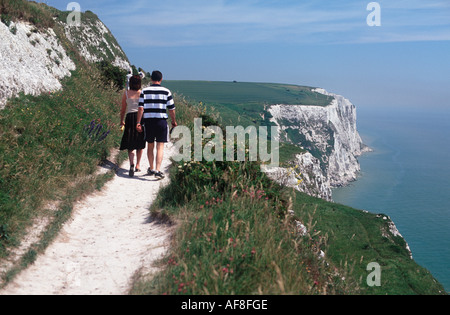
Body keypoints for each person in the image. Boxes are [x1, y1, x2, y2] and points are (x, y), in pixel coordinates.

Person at [136, 71, 177, 179]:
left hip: (148, 121)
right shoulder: (166, 91)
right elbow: (171, 109)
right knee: (160, 146)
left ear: (151, 79)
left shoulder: (144, 91)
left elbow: (140, 108)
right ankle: (158, 170)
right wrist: (173, 121)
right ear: (161, 79)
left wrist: (138, 122)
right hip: (161, 121)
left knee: (150, 145)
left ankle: (151, 168)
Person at [120, 75, 146, 177]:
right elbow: (143, 108)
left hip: (129, 117)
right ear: (139, 83)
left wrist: (121, 121)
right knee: (140, 142)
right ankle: (138, 165)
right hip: (140, 118)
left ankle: (131, 163)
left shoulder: (126, 93)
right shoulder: (142, 93)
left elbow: (123, 109)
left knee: (130, 142)